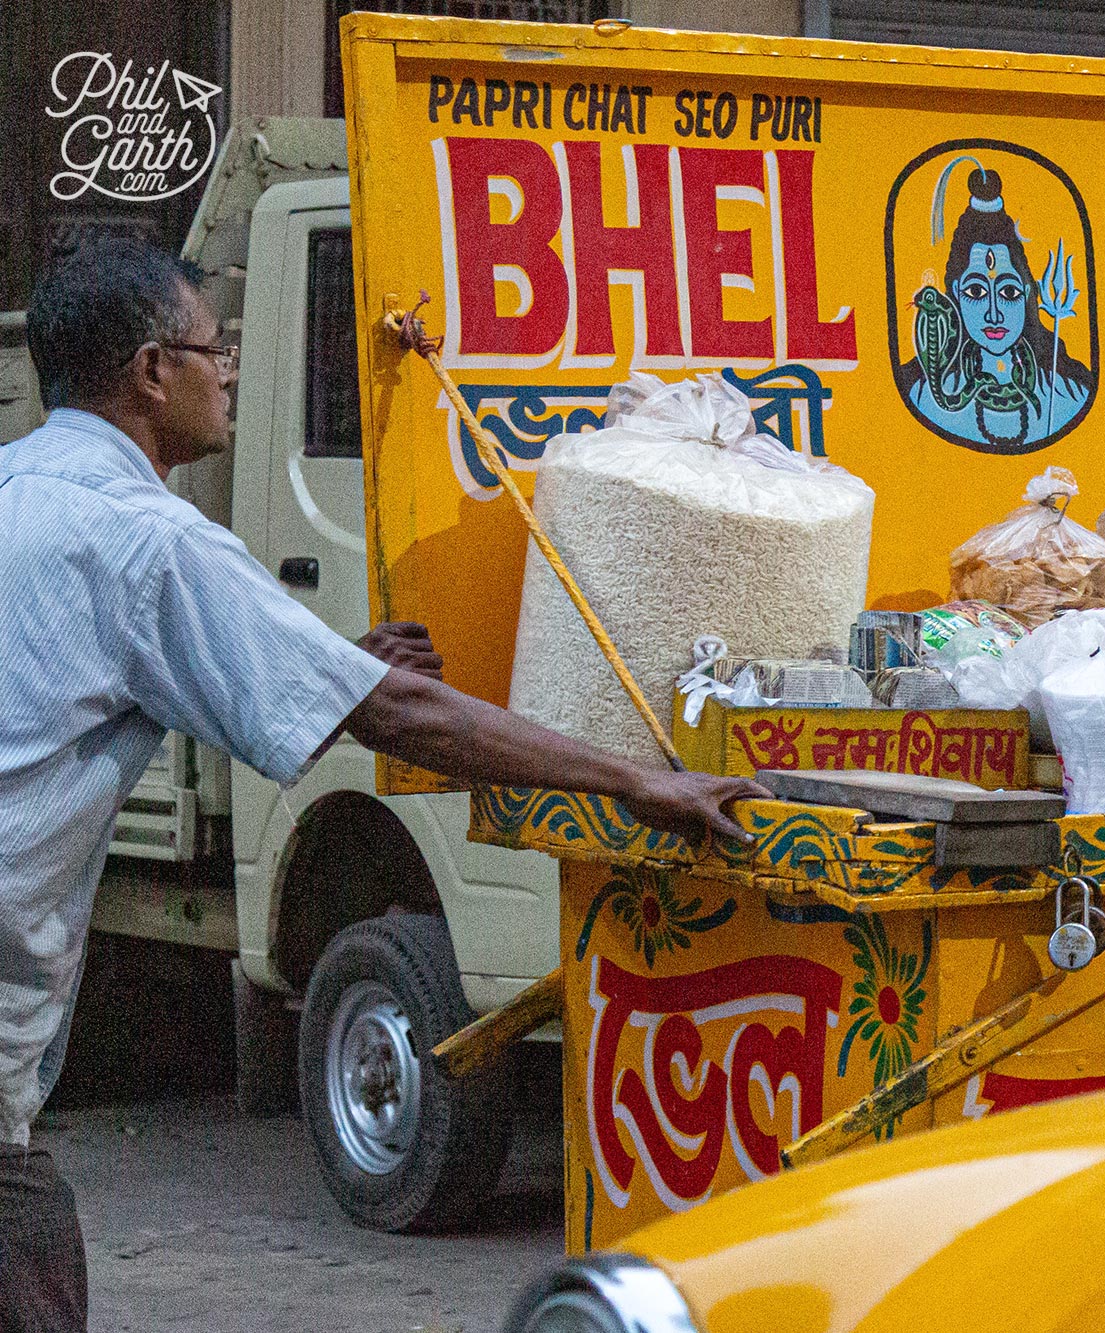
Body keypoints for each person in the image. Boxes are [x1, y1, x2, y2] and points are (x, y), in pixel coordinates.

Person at [0, 240, 768, 1332]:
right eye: (211, 350)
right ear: (146, 372)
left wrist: (336, 668)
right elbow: (399, 715)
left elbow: (149, 674)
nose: (227, 372)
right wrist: (641, 780)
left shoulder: (23, 487)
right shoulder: (146, 539)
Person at [898, 160, 1092, 450]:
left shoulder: (1067, 394)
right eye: (975, 291)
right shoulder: (924, 395)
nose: (994, 313)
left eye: (1009, 292)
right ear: (954, 294)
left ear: (1028, 293)